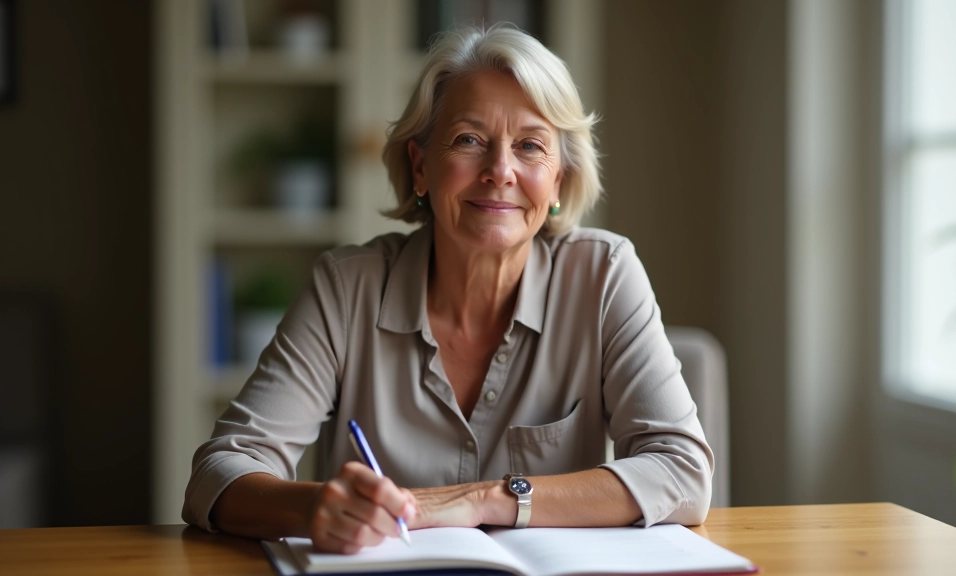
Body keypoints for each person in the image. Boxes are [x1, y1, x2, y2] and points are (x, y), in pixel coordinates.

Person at [183, 24, 713, 554]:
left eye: (530, 146)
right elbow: (218, 473)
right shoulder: (347, 287)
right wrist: (315, 505)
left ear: (559, 182)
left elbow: (683, 472)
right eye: (469, 140)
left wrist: (487, 498)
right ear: (420, 167)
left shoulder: (604, 275)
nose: (500, 170)